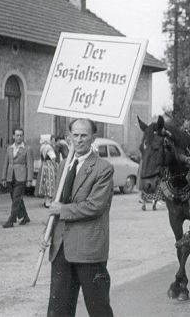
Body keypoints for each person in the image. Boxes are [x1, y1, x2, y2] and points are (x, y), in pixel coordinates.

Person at [47, 118, 114, 317]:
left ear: (93, 137)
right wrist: (47, 234)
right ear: (69, 137)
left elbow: (95, 206)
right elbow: (56, 203)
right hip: (61, 248)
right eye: (75, 135)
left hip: (88, 250)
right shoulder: (64, 165)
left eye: (84, 135)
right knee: (58, 310)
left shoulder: (103, 168)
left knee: (98, 308)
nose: (79, 140)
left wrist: (62, 210)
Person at [1, 128, 34, 228]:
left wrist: (29, 179)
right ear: (13, 136)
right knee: (16, 198)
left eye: (21, 135)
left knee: (16, 198)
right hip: (10, 176)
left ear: (23, 136)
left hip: (21, 176)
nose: (19, 137)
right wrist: (3, 178)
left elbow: (30, 165)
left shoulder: (27, 149)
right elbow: (5, 163)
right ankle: (25, 216)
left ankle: (11, 220)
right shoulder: (9, 148)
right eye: (17, 135)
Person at [37, 134, 58, 208]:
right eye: (52, 139)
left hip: (44, 165)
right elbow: (53, 158)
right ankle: (48, 202)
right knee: (50, 183)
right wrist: (55, 166)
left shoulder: (42, 147)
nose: (54, 141)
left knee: (45, 183)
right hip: (49, 167)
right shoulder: (49, 147)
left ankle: (46, 200)